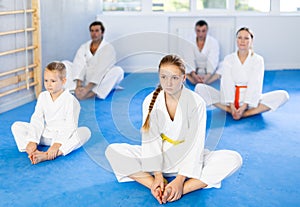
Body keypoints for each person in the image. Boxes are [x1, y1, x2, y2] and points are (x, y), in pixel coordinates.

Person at [105, 54, 242, 204]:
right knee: (112, 151)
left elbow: (196, 144)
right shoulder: (150, 101)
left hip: (188, 160)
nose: (168, 83)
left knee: (234, 159)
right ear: (159, 77)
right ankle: (156, 187)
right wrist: (157, 176)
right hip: (160, 160)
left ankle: (182, 188)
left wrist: (180, 180)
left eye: (174, 78)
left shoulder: (197, 102)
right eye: (164, 77)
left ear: (183, 78)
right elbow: (151, 141)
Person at [195, 27, 289, 120]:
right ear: (236, 40)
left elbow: (255, 84)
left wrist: (244, 106)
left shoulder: (258, 60)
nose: (242, 41)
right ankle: (230, 110)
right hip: (230, 99)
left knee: (284, 95)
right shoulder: (229, 59)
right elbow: (227, 82)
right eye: (240, 38)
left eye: (246, 38)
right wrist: (232, 106)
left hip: (251, 101)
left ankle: (246, 114)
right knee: (200, 88)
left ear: (251, 41)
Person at [11, 62, 91, 164]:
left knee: (85, 132)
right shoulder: (43, 96)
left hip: (62, 137)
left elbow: (70, 126)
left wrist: (57, 144)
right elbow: (37, 119)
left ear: (63, 81)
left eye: (53, 81)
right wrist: (33, 140)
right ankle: (32, 151)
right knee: (17, 126)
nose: (48, 84)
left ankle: (48, 155)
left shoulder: (71, 100)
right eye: (46, 80)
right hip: (45, 135)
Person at [63, 21, 124, 100]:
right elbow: (79, 63)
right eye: (92, 31)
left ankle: (92, 94)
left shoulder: (108, 48)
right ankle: (77, 90)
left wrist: (87, 89)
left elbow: (101, 69)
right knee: (64, 64)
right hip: (84, 77)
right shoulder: (84, 47)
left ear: (102, 32)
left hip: (100, 80)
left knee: (118, 71)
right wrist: (79, 85)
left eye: (97, 31)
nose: (94, 33)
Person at [182, 20, 221, 85]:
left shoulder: (213, 42)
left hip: (208, 72)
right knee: (177, 66)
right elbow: (189, 59)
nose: (200, 34)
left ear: (207, 30)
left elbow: (213, 60)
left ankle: (207, 81)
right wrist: (194, 75)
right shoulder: (189, 41)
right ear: (195, 30)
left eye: (203, 31)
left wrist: (207, 76)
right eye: (198, 31)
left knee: (223, 66)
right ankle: (193, 81)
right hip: (194, 71)